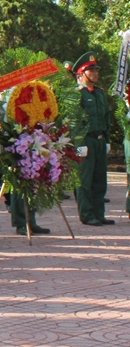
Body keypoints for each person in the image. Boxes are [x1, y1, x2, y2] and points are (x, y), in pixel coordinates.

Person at [72, 53, 113, 227]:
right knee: (85, 180)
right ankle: (87, 214)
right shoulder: (78, 94)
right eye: (91, 70)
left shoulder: (99, 94)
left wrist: (108, 139)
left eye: (96, 70)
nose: (95, 73)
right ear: (82, 73)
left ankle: (98, 213)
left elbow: (106, 117)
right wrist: (79, 143)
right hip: (86, 141)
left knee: (99, 179)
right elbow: (74, 121)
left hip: (99, 140)